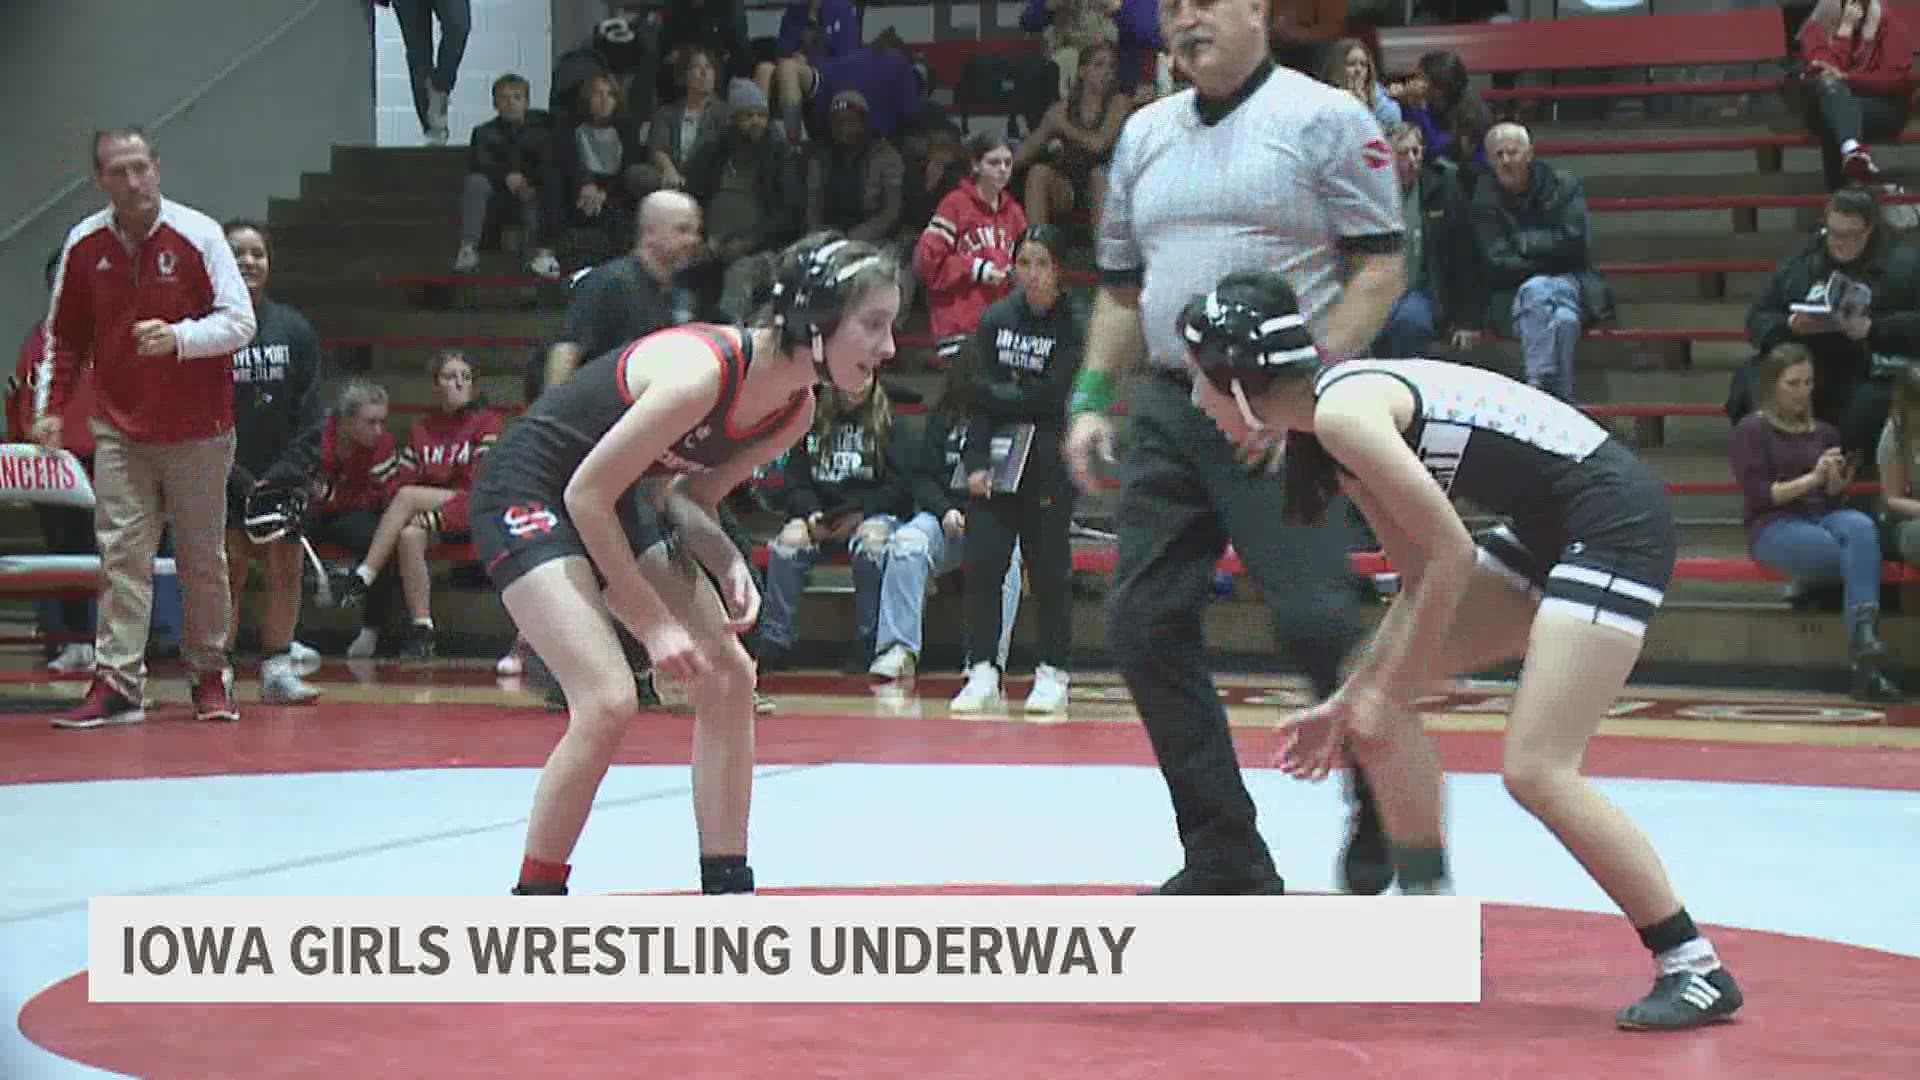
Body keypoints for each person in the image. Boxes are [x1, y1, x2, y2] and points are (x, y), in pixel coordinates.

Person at [1180, 269, 1746, 1032]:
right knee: (1374, 696)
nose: (1196, 403)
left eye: (1201, 383)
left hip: (1611, 524)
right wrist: (1357, 699)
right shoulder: (1331, 431)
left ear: (1240, 382)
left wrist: (1385, 688)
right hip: (1557, 525)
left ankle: (1694, 964)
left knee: (1536, 767)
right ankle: (1428, 912)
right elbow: (1419, 578)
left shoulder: (1347, 415)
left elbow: (1449, 555)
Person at [1062, 0, 1405, 896]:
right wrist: (1092, 400)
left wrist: (1300, 391)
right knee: (1140, 624)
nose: (1185, 19)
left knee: (1316, 620)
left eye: (1204, 1)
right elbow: (1119, 290)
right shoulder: (1142, 135)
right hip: (1174, 405)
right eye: (1171, 8)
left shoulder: (1327, 118)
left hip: (1283, 410)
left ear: (1258, 9)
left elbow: (1379, 266)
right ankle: (1225, 852)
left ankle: (1381, 797)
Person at [469, 232, 899, 896]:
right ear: (816, 318)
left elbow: (687, 499)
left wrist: (727, 560)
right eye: (873, 325)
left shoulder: (794, 406)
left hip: (618, 496)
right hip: (534, 490)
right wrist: (652, 621)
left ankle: (727, 881)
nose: (890, 348)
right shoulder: (705, 372)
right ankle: (537, 895)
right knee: (609, 700)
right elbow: (585, 494)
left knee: (730, 674)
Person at [38, 127, 257, 729]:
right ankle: (118, 683)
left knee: (201, 558)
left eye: (140, 168)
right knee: (121, 554)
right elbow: (63, 337)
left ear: (157, 167)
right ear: (99, 179)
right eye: (118, 172)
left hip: (200, 429)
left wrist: (180, 338)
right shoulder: (84, 245)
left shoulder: (200, 234)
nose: (132, 182)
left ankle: (210, 674)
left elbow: (241, 323)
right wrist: (51, 407)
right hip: (120, 428)